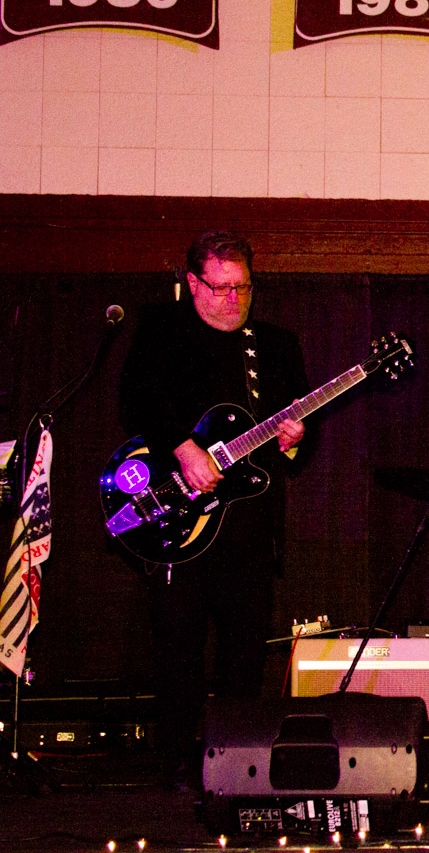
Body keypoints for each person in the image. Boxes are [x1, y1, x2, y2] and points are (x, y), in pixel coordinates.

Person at [118, 231, 310, 780]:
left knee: (244, 654)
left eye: (243, 287)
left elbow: (300, 440)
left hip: (248, 526)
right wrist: (183, 450)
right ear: (193, 283)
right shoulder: (162, 329)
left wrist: (295, 439)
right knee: (177, 646)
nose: (232, 298)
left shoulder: (276, 345)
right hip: (179, 520)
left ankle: (239, 766)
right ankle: (177, 763)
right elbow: (136, 398)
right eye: (221, 287)